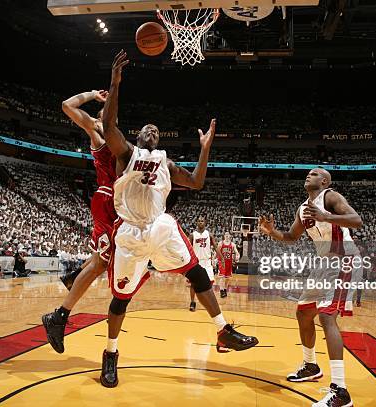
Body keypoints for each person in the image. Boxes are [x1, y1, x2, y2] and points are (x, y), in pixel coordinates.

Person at [98, 50, 258, 388]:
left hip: (159, 225)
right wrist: (115, 84)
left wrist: (205, 148)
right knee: (120, 298)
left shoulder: (166, 164)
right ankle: (110, 354)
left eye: (156, 130)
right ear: (138, 136)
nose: (152, 131)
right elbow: (108, 125)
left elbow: (197, 182)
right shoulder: (126, 153)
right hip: (129, 232)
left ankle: (223, 330)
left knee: (197, 271)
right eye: (147, 129)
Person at [259, 167, 363, 407]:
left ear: (325, 181)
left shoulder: (331, 197)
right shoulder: (303, 208)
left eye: (315, 173)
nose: (309, 174)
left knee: (327, 316)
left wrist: (327, 216)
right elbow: (291, 237)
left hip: (344, 260)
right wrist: (272, 232)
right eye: (308, 172)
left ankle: (341, 392)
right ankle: (311, 365)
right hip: (324, 265)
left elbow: (356, 221)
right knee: (304, 312)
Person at [42, 88, 119, 354]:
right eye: (106, 116)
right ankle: (59, 315)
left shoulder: (117, 137)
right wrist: (92, 95)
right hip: (106, 197)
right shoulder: (98, 132)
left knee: (105, 259)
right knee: (102, 262)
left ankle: (73, 276)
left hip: (118, 205)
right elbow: (66, 104)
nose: (111, 119)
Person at [188, 216, 222, 311]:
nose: (200, 222)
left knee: (209, 284)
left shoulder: (209, 234)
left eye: (202, 221)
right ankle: (192, 302)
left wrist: (221, 259)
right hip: (196, 262)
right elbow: (187, 248)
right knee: (193, 284)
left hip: (207, 261)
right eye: (198, 221)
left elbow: (215, 247)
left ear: (205, 222)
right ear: (197, 222)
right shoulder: (192, 235)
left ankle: (209, 303)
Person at [217, 232, 240, 298]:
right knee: (222, 277)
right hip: (222, 262)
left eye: (228, 235)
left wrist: (238, 256)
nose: (227, 236)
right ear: (224, 236)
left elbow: (236, 252)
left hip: (229, 262)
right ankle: (221, 291)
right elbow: (217, 251)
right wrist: (213, 259)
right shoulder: (221, 243)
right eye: (226, 235)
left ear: (230, 236)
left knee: (227, 278)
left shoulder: (232, 244)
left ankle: (224, 290)